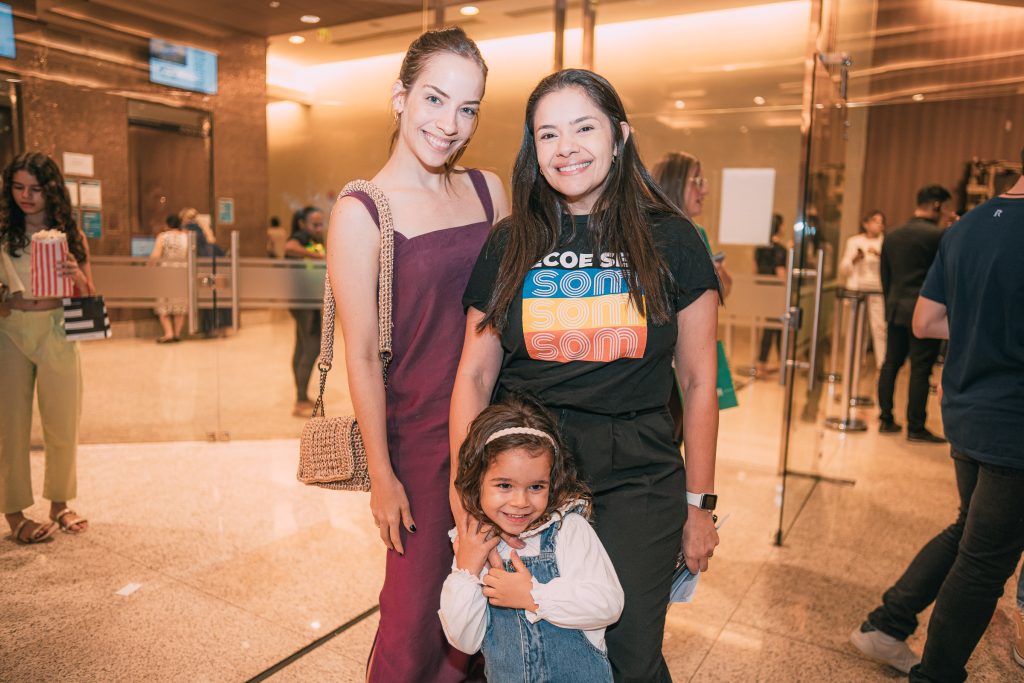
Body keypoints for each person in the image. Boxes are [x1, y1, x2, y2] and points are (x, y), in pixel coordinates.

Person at [452, 68, 720, 682]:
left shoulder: (673, 239)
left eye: (583, 127)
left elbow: (701, 381)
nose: (566, 146)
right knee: (523, 648)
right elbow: (473, 377)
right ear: (533, 150)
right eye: (548, 134)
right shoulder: (511, 242)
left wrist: (699, 505)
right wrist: (468, 494)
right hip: (526, 472)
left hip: (637, 473)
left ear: (619, 136)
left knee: (627, 655)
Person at [326, 27, 508, 683]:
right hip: (420, 444)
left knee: (492, 605)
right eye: (434, 99)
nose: (450, 124)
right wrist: (382, 474)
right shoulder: (361, 211)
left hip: (496, 434)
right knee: (415, 616)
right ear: (400, 97)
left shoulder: (490, 192)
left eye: (467, 109)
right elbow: (363, 358)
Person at [850, 150, 1024, 682]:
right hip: (1014, 422)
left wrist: (981, 329)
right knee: (983, 563)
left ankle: (888, 622)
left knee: (969, 533)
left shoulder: (968, 225)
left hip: (969, 411)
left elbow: (928, 320)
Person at [439, 395, 624, 683]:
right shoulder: (476, 546)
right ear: (477, 482)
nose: (520, 501)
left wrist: (534, 596)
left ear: (554, 482)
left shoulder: (568, 530)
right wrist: (466, 571)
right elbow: (465, 641)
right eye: (504, 485)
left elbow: (608, 603)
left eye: (536, 486)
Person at [0, 152, 93, 543]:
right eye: (18, 187)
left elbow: (90, 296)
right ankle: (14, 514)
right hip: (9, 328)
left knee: (62, 421)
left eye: (35, 189)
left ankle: (59, 503)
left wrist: (76, 275)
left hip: (58, 327)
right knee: (10, 424)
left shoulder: (70, 235)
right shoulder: (4, 232)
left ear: (51, 191)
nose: (26, 196)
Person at [651, 150, 735, 443]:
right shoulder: (649, 232)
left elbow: (721, 291)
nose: (705, 190)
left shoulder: (695, 232)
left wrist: (714, 273)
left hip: (691, 356)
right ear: (674, 183)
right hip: (662, 363)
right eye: (696, 181)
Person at [876, 184, 954, 443]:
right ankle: (916, 426)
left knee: (891, 364)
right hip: (925, 311)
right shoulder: (938, 236)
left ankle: (886, 419)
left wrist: (891, 303)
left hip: (897, 307)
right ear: (936, 205)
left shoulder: (893, 234)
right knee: (921, 369)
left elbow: (885, 276)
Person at [285, 205, 326, 418]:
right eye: (315, 224)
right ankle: (301, 399)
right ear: (303, 223)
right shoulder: (300, 236)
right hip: (303, 302)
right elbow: (290, 246)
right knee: (311, 346)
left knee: (302, 346)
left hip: (307, 300)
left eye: (321, 224)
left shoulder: (313, 238)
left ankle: (301, 395)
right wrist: (317, 257)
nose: (319, 228)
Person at [839, 210, 887, 367]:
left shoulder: (885, 242)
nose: (879, 224)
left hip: (877, 289)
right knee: (857, 328)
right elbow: (844, 268)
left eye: (881, 222)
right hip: (857, 289)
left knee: (879, 327)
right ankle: (854, 362)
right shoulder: (854, 241)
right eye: (875, 221)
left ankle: (882, 364)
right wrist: (856, 258)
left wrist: (880, 256)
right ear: (866, 223)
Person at [753, 213, 787, 376]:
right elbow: (781, 273)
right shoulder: (780, 249)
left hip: (763, 291)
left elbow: (755, 270)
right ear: (778, 227)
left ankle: (770, 362)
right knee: (775, 327)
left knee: (772, 327)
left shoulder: (760, 247)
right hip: (776, 292)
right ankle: (765, 362)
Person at [148, 214, 189, 343]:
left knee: (163, 305)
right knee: (179, 306)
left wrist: (148, 267)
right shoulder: (186, 237)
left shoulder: (163, 237)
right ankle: (177, 334)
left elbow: (155, 255)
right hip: (182, 274)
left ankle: (168, 334)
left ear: (167, 225)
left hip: (165, 274)